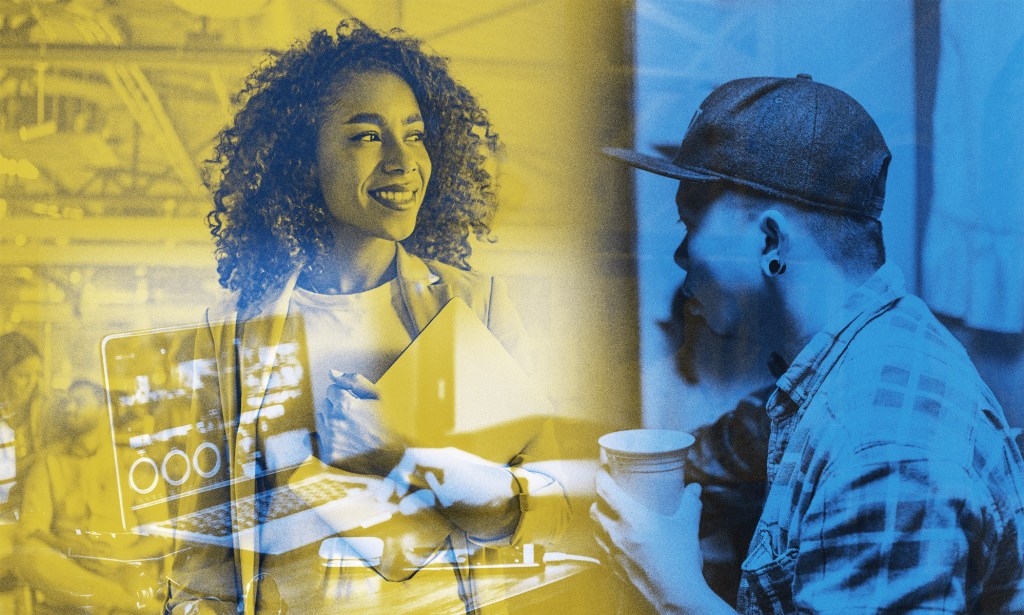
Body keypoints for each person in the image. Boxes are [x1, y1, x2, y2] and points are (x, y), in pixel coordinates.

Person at [166, 20, 567, 614]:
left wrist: (402, 453)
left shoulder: (474, 307)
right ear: (304, 162)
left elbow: (544, 513)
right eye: (365, 137)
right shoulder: (230, 336)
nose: (403, 162)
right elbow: (204, 571)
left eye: (415, 134)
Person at [594, 75, 1024, 613]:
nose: (681, 256)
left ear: (770, 241)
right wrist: (515, 488)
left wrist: (674, 589)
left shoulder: (880, 446)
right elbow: (701, 460)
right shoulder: (848, 363)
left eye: (690, 225)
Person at [17, 379, 170, 614]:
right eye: (68, 403)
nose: (69, 409)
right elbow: (32, 529)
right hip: (69, 570)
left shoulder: (133, 463)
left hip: (124, 567)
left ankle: (111, 603)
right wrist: (68, 548)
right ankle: (129, 605)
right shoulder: (47, 465)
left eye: (79, 402)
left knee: (136, 583)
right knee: (29, 556)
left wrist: (119, 555)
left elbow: (160, 536)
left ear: (104, 410)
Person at [0, 331, 44, 612]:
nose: (31, 383)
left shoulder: (38, 414)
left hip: (31, 515)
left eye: (36, 374)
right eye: (21, 375)